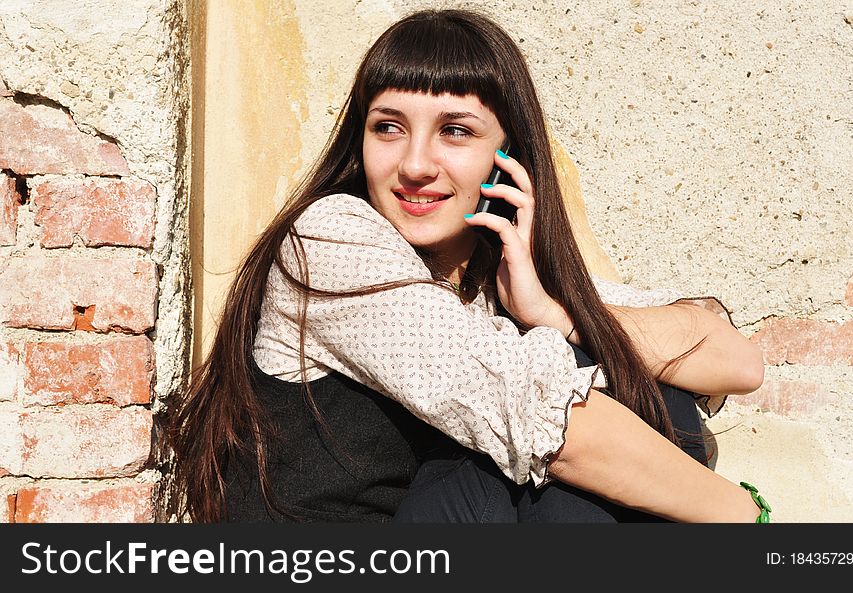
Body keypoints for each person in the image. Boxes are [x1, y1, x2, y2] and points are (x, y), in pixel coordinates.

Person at [164, 8, 768, 524]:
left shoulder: (496, 280)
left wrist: (553, 313)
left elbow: (734, 361)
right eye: (388, 128)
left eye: (455, 131)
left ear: (507, 161)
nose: (416, 164)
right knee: (578, 431)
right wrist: (746, 516)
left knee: (643, 385)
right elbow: (552, 430)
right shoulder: (329, 240)